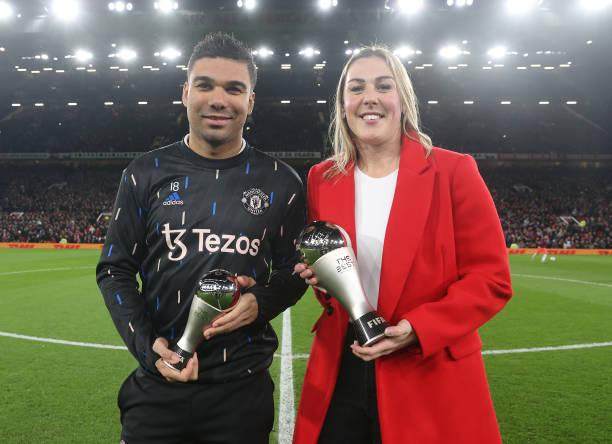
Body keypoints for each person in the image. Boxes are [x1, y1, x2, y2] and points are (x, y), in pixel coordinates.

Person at [293, 46, 513, 444]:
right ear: (343, 105)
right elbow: (333, 281)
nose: (369, 98)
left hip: (427, 368)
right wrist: (321, 280)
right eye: (356, 88)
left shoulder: (453, 170)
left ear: (403, 99)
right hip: (343, 366)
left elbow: (491, 279)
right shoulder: (322, 178)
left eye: (383, 86)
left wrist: (418, 329)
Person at [96, 32, 307, 444]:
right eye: (205, 85)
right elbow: (114, 269)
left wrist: (260, 302)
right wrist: (149, 348)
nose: (218, 100)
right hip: (158, 385)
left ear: (250, 101)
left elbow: (294, 272)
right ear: (186, 92)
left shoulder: (282, 182)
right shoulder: (144, 173)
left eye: (234, 89)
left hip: (241, 391)